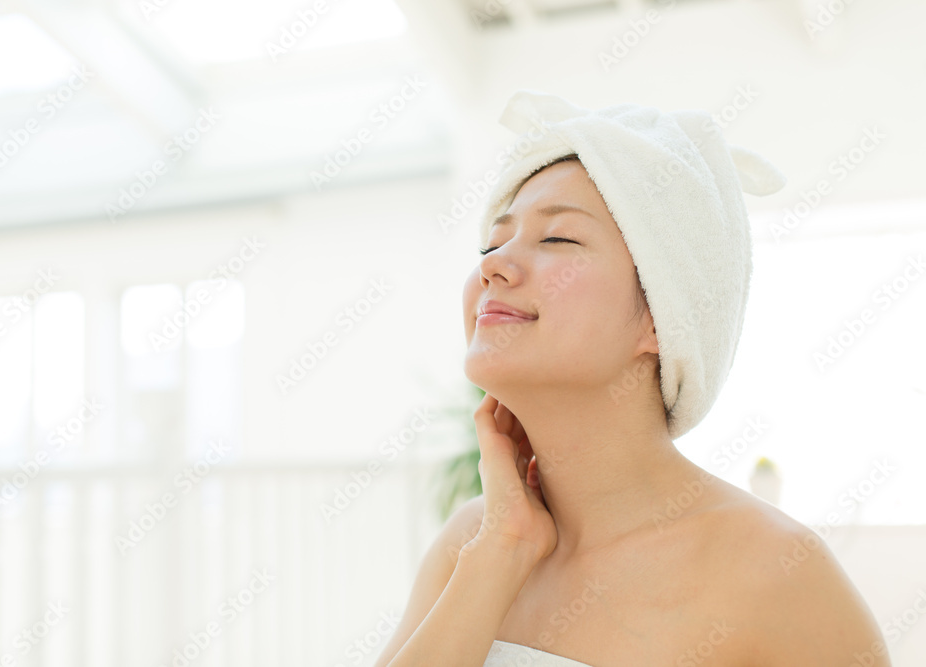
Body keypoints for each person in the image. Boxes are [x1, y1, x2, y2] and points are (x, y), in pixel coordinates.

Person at [373, 92, 892, 667]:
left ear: (662, 319)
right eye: (491, 244)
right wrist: (503, 549)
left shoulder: (777, 574)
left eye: (557, 239)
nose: (492, 265)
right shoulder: (472, 542)